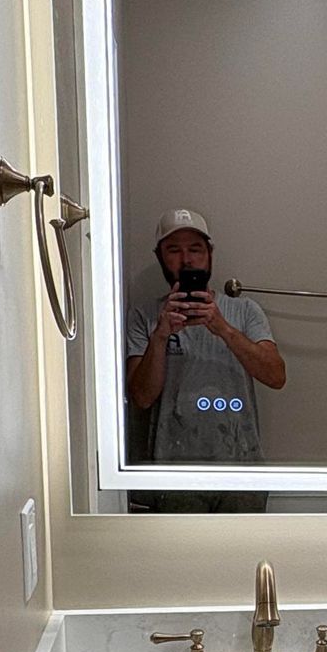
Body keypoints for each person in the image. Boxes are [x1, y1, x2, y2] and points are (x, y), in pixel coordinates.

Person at [124, 208, 285, 511]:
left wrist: (223, 328)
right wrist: (160, 336)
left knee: (242, 544)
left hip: (242, 470)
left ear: (210, 254)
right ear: (160, 257)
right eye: (174, 250)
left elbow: (276, 376)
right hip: (173, 474)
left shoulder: (245, 311)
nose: (186, 260)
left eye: (195, 249)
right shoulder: (144, 317)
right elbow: (142, 397)